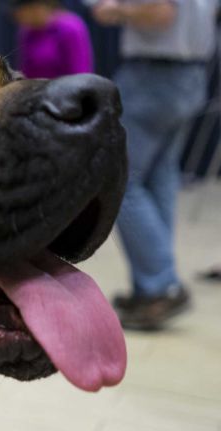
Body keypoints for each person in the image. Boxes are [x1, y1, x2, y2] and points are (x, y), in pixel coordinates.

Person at [88, 0, 217, 330]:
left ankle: (160, 285)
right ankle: (153, 286)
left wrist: (115, 9)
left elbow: (161, 13)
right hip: (190, 73)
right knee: (159, 177)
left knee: (121, 182)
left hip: (154, 74)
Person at [11, 0, 94, 79]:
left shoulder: (70, 28)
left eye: (21, 14)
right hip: (36, 91)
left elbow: (80, 73)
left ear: (36, 8)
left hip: (67, 91)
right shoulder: (26, 32)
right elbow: (25, 71)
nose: (18, 19)